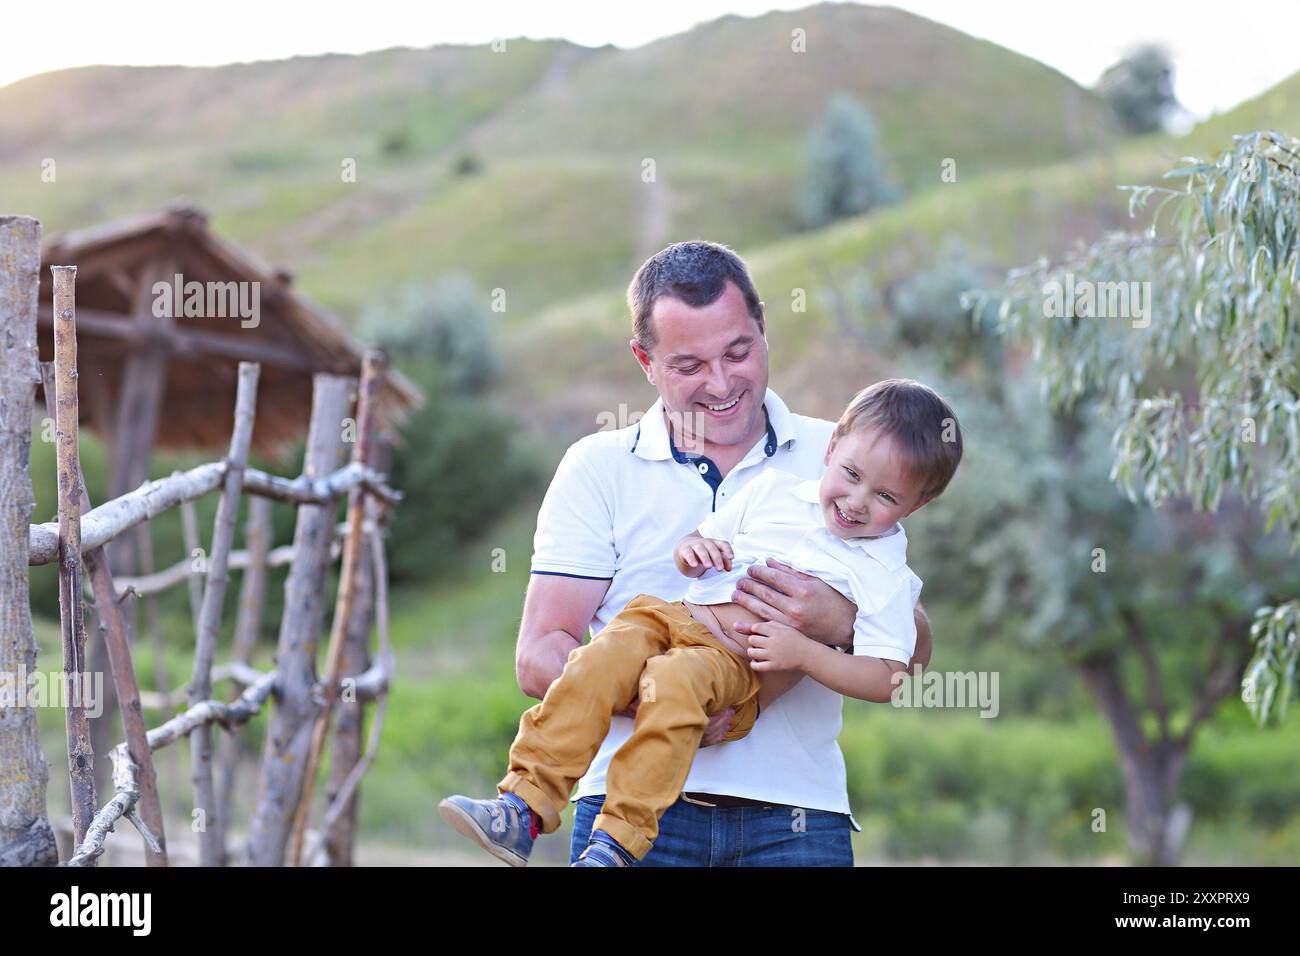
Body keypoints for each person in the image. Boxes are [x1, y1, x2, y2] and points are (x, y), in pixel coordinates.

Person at [452, 240, 934, 866]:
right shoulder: (596, 467)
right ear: (644, 362)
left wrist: (833, 620)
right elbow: (541, 655)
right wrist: (666, 707)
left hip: (794, 814)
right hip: (620, 802)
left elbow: (909, 652)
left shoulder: (847, 459)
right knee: (632, 649)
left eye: (738, 351)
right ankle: (522, 806)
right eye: (690, 366)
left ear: (763, 329)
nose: (722, 382)